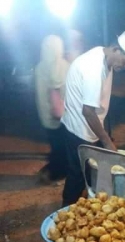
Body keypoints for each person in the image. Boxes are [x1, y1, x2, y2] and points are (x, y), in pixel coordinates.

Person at [61, 29, 125, 207]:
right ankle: (66, 211)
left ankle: (91, 205)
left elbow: (98, 104)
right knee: (77, 174)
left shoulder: (105, 57)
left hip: (89, 127)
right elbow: (88, 112)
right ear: (116, 49)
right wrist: (107, 141)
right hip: (79, 130)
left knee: (95, 170)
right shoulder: (93, 67)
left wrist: (105, 135)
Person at [35, 35, 70, 183]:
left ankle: (52, 171)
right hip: (59, 116)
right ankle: (55, 174)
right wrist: (59, 112)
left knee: (55, 144)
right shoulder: (59, 66)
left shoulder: (40, 66)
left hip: (45, 116)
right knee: (61, 147)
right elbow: (55, 89)